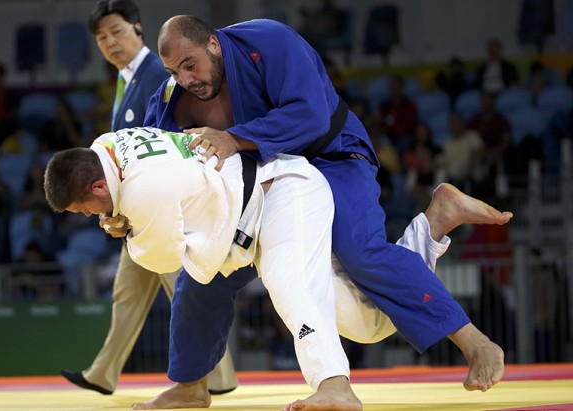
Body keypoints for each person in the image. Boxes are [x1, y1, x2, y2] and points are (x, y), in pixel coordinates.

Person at [137, 15, 506, 409]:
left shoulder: (268, 41)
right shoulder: (170, 99)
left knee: (359, 251)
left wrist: (233, 138)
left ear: (213, 43)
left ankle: (475, 342)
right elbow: (154, 167)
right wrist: (122, 213)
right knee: (202, 272)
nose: (185, 78)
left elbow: (309, 114)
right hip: (264, 188)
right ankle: (191, 386)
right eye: (174, 71)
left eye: (190, 64)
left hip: (330, 156)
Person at [44, 127, 512, 411]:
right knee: (367, 324)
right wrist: (129, 219)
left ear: (100, 186)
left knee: (286, 282)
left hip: (282, 192)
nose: (89, 217)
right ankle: (432, 225)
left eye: (85, 209)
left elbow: (163, 259)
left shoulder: (143, 190)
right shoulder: (106, 146)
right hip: (258, 213)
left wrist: (126, 229)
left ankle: (335, 385)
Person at [58, 0, 238, 396]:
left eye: (117, 31)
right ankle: (103, 373)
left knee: (189, 290)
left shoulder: (158, 71)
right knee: (128, 292)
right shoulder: (129, 79)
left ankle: (218, 375)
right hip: (133, 203)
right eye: (102, 37)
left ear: (138, 29)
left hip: (160, 202)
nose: (110, 42)